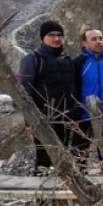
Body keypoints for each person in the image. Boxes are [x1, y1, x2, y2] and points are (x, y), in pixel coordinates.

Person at [18, 20, 77, 174]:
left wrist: (74, 115)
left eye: (59, 35)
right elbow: (24, 92)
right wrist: (29, 121)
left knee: (63, 155)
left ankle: (60, 194)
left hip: (64, 117)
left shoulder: (67, 59)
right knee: (44, 158)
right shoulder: (32, 59)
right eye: (51, 35)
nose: (56, 38)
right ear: (43, 37)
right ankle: (42, 196)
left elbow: (72, 89)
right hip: (43, 118)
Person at [72, 29, 103, 162]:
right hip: (84, 116)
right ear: (84, 43)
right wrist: (74, 114)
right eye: (93, 39)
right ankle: (79, 181)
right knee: (79, 155)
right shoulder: (78, 62)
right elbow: (73, 89)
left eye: (100, 38)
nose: (98, 42)